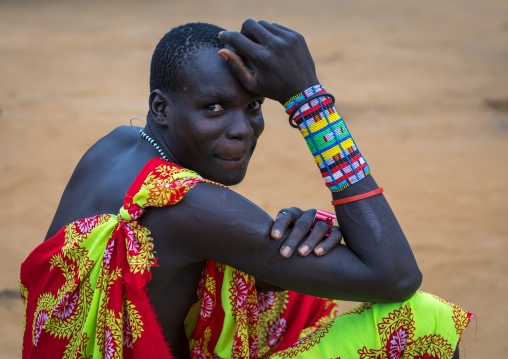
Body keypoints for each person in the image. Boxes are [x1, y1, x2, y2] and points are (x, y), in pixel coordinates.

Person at [19, 20, 472, 359]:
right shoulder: (187, 205)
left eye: (253, 106)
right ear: (161, 107)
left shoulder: (115, 146)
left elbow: (185, 264)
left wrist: (312, 236)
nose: (241, 130)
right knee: (419, 319)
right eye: (214, 107)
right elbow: (395, 278)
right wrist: (310, 102)